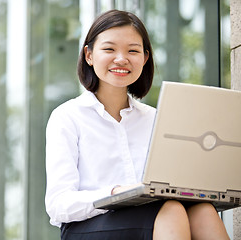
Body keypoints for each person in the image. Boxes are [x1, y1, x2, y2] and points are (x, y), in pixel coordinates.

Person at [45, 9, 230, 240]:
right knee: (171, 211)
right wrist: (114, 193)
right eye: (109, 49)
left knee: (203, 211)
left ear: (144, 58)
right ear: (89, 55)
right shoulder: (67, 117)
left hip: (151, 214)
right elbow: (58, 204)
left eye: (133, 51)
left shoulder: (156, 119)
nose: (121, 59)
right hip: (88, 227)